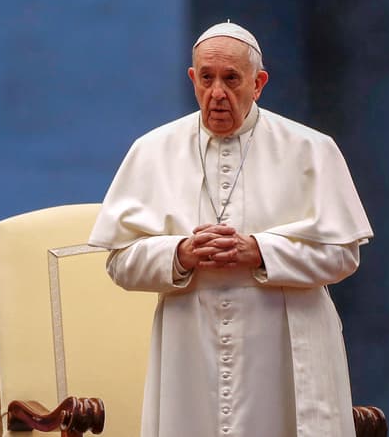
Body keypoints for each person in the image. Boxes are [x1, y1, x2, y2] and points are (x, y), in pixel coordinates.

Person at [89, 22, 372, 437]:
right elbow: (119, 262)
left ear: (258, 83)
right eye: (206, 78)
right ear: (192, 79)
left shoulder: (311, 149)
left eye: (231, 79)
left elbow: (343, 255)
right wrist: (180, 253)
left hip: (283, 348)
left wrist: (260, 251)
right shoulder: (151, 151)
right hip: (189, 348)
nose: (216, 93)